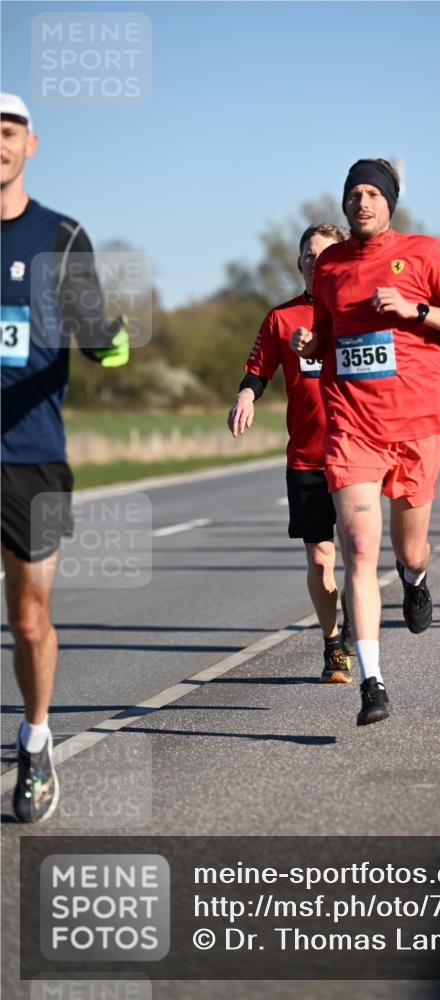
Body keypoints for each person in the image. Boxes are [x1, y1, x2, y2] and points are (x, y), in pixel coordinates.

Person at [291, 158, 440, 725]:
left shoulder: (424, 252)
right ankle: (373, 682)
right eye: (353, 194)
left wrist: (417, 311)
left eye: (372, 194)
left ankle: (416, 579)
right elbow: (326, 339)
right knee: (357, 551)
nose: (362, 203)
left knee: (409, 549)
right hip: (351, 429)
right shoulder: (329, 265)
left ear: (389, 202)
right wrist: (313, 346)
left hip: (414, 428)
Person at [1, 93, 130, 822]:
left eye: (8, 131)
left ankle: (36, 738)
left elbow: (92, 325)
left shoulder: (60, 235)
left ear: (31, 143)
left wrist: (106, 341)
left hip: (33, 457)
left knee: (27, 618)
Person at [227, 222, 353, 683]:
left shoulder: (357, 312)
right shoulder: (281, 318)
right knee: (321, 557)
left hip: (357, 452)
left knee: (358, 551)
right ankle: (333, 644)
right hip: (307, 456)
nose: (313, 259)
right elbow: (258, 369)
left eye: (323, 253)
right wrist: (246, 395)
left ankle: (369, 613)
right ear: (299, 261)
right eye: (307, 253)